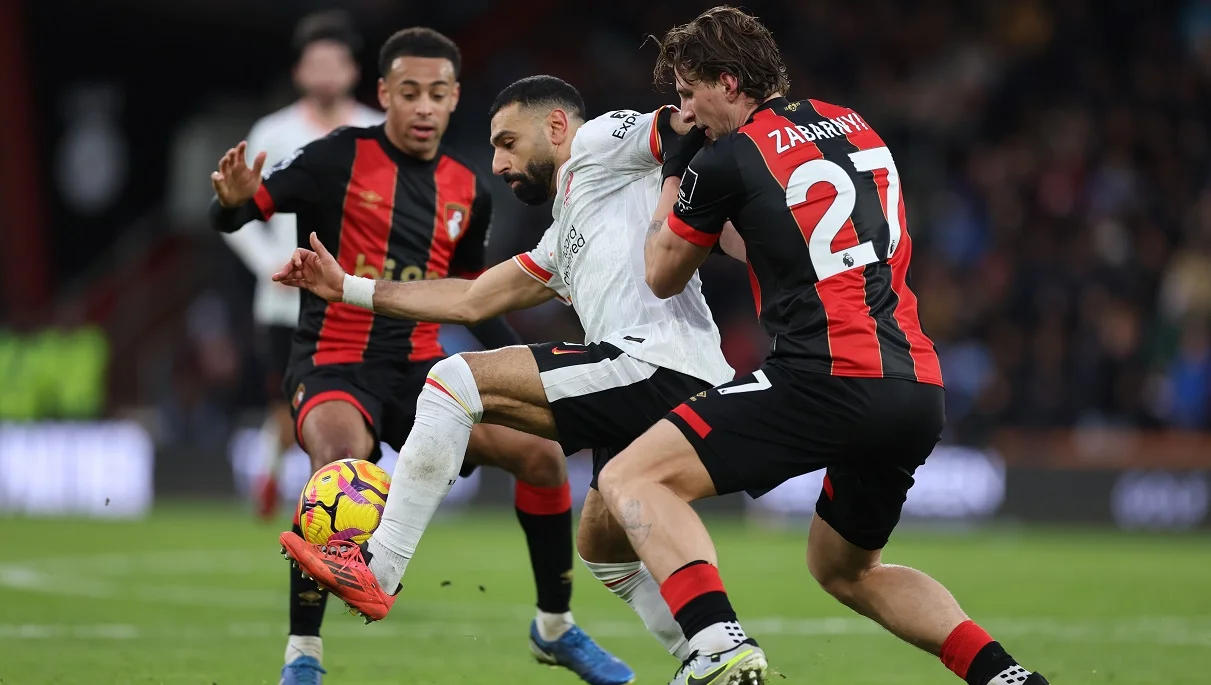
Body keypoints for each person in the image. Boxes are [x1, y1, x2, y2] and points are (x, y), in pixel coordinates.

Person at [592, 6, 1052, 685]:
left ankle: (716, 645)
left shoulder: (723, 158)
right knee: (843, 568)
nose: (685, 112)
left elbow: (661, 272)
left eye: (688, 94)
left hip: (825, 377)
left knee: (631, 476)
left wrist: (679, 172)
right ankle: (1007, 678)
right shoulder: (853, 124)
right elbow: (782, 237)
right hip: (915, 386)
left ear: (727, 82)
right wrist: (710, 205)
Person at [275, 75, 740, 678]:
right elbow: (471, 301)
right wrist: (348, 289)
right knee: (604, 550)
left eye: (507, 143)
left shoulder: (598, 141)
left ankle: (380, 567)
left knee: (452, 381)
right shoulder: (565, 231)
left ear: (554, 128)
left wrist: (711, 114)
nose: (496, 163)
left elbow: (677, 125)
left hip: (655, 363)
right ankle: (716, 654)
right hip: (673, 381)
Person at [209, 29, 629, 685]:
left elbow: (471, 296)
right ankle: (303, 655)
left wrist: (525, 364)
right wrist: (232, 201)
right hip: (332, 363)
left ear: (455, 97)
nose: (424, 107)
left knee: (540, 455)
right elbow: (241, 213)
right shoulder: (333, 158)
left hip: (422, 371)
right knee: (339, 471)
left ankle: (554, 629)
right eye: (409, 93)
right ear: (383, 95)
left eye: (438, 93)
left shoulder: (469, 188)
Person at [222, 10, 382, 521]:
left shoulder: (374, 130)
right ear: (299, 73)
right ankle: (285, 483)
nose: (327, 74)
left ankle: (335, 494)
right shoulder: (273, 131)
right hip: (284, 300)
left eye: (336, 62)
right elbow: (238, 212)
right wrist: (273, 263)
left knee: (352, 401)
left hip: (356, 298)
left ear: (354, 71)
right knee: (288, 406)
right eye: (317, 63)